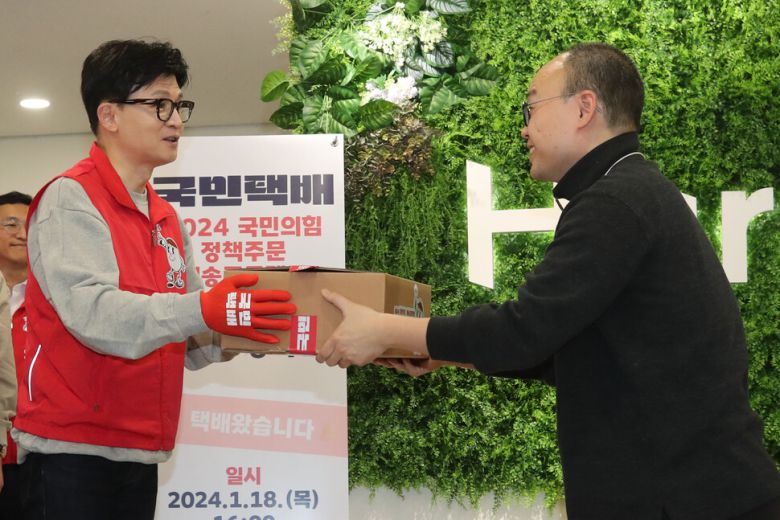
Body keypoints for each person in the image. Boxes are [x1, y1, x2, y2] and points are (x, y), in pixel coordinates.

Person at [316, 43, 780, 519]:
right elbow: (575, 357)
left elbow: (522, 331)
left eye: (531, 107)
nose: (524, 127)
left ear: (584, 108)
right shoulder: (630, 191)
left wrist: (383, 330)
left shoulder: (616, 202)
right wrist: (442, 352)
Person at [14, 39, 296, 520]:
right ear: (109, 115)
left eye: (179, 105)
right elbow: (94, 315)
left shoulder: (166, 218)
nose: (176, 121)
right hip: (71, 453)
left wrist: (244, 329)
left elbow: (184, 337)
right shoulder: (70, 197)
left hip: (140, 450)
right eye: (160, 104)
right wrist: (203, 308)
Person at [0, 191, 32, 517]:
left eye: (29, 225)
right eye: (10, 224)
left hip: (41, 455)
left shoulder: (55, 300)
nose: (22, 234)